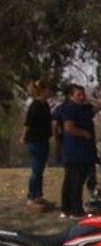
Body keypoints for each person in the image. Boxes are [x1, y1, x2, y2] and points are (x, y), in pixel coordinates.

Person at [59, 85, 99, 218]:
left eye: (83, 94)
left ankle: (67, 209)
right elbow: (68, 128)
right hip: (74, 150)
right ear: (71, 96)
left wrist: (89, 98)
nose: (81, 97)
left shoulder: (84, 108)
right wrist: (84, 134)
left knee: (73, 180)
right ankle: (75, 210)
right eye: (78, 95)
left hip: (84, 151)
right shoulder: (69, 109)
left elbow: (99, 106)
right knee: (75, 181)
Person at [22, 80, 53, 211]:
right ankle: (31, 197)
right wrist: (23, 137)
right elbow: (27, 123)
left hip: (43, 139)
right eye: (48, 89)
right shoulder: (35, 105)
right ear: (42, 90)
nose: (50, 91)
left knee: (40, 170)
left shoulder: (45, 104)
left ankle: (38, 196)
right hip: (34, 141)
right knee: (36, 170)